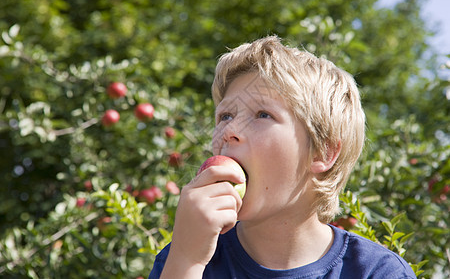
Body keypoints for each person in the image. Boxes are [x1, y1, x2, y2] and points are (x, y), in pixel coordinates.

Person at [149, 36, 416, 278]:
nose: (229, 130)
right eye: (225, 116)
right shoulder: (184, 260)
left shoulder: (376, 272)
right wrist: (186, 260)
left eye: (262, 114)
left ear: (322, 152)